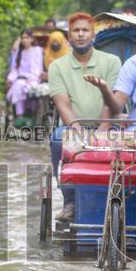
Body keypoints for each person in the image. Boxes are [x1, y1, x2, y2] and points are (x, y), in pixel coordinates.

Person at [47, 12, 122, 222]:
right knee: (56, 139)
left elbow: (113, 101)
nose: (80, 35)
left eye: (85, 30)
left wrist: (101, 131)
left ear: (93, 35)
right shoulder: (57, 66)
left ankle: (117, 196)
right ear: (69, 36)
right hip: (73, 127)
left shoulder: (111, 62)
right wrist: (81, 134)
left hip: (108, 126)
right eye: (76, 31)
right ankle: (69, 200)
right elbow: (63, 105)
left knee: (125, 146)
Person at [6, 28, 44, 117]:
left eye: (27, 38)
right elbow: (15, 70)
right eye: (22, 38)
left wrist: (30, 79)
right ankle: (20, 117)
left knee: (31, 90)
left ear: (31, 38)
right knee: (18, 86)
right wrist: (10, 79)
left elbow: (37, 69)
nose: (24, 40)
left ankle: (33, 116)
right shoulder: (18, 52)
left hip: (34, 79)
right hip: (20, 79)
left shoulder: (37, 50)